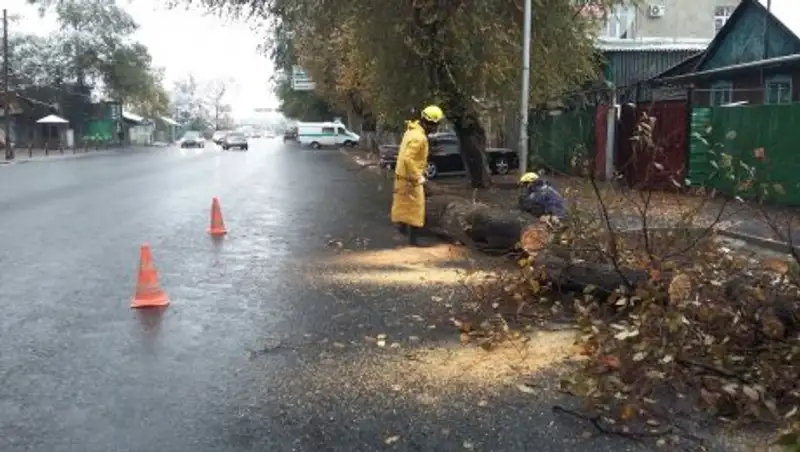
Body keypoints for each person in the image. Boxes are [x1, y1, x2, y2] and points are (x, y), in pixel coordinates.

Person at [391, 105, 444, 246]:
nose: (436, 128)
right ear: (431, 123)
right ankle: (413, 241)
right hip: (410, 178)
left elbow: (411, 157)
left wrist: (422, 168)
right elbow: (408, 158)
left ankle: (401, 232)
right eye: (436, 125)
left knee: (403, 205)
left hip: (401, 175)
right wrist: (418, 176)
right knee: (416, 208)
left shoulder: (411, 130)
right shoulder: (419, 138)